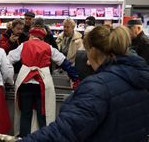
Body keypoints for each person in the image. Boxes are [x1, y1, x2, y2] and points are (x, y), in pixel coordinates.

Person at [17, 26, 149, 142]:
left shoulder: (98, 87)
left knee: (27, 114)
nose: (86, 61)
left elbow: (64, 132)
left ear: (93, 51)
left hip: (27, 84)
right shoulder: (139, 79)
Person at [7, 27, 80, 137]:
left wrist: (8, 77)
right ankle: (44, 137)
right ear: (42, 38)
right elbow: (65, 63)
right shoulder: (49, 47)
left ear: (31, 36)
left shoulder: (24, 45)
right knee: (43, 113)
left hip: (25, 82)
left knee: (25, 114)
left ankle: (24, 137)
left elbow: (8, 60)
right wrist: (75, 78)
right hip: (43, 83)